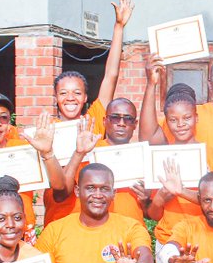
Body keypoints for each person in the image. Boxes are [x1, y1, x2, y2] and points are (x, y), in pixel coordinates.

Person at [143, 86, 213, 263]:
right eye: (173, 120)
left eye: (186, 118)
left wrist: (181, 191)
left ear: (196, 118)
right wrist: (162, 195)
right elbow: (153, 214)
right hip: (169, 240)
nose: (180, 124)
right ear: (167, 122)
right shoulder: (162, 158)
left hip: (205, 238)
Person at [0, 92, 66, 240]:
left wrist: (47, 152)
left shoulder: (23, 149)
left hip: (21, 235)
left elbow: (59, 185)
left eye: (3, 117)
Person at [45, 96, 149, 226]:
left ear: (135, 124)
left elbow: (150, 213)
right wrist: (79, 153)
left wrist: (146, 200)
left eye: (128, 119)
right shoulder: (89, 150)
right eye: (115, 117)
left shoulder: (142, 156)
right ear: (105, 121)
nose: (121, 123)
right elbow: (61, 194)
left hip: (131, 231)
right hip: (91, 231)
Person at [50, 0, 132, 137]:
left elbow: (111, 76)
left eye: (77, 93)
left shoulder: (93, 121)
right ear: (56, 97)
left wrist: (118, 27)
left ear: (85, 97)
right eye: (63, 93)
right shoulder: (49, 130)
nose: (70, 98)